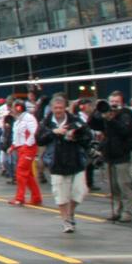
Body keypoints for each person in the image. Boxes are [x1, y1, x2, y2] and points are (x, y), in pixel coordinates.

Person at [37, 95, 93, 233]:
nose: (58, 110)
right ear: (51, 108)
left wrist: (75, 135)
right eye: (56, 108)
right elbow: (39, 139)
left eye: (61, 108)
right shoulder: (46, 122)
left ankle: (71, 211)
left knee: (80, 191)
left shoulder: (75, 120)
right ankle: (66, 220)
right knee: (61, 194)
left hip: (76, 161)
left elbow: (88, 136)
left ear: (66, 108)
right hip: (57, 163)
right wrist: (53, 132)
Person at [89, 100, 132, 223]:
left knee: (124, 184)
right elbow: (93, 124)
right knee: (113, 186)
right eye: (111, 102)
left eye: (115, 102)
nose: (112, 105)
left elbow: (125, 131)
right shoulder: (105, 117)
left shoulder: (126, 114)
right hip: (109, 154)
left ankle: (127, 212)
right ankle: (117, 210)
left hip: (122, 154)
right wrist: (97, 111)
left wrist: (112, 120)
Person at [8, 101, 42, 206]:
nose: (11, 110)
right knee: (28, 175)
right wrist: (13, 146)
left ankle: (20, 198)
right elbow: (18, 136)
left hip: (28, 148)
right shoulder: (18, 120)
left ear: (18, 108)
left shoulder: (28, 118)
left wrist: (27, 146)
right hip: (22, 149)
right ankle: (36, 197)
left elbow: (33, 133)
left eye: (13, 107)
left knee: (21, 172)